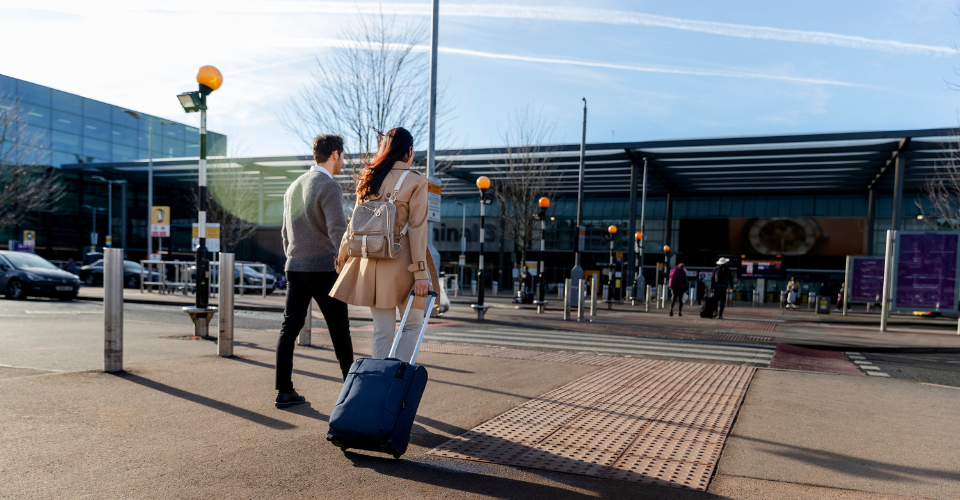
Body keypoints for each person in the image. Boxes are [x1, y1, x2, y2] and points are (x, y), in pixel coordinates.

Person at [331, 127, 432, 363]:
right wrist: (421, 273)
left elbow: (354, 225)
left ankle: (378, 385)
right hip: (405, 264)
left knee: (382, 332)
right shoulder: (416, 181)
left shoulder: (369, 178)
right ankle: (397, 383)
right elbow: (417, 230)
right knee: (412, 326)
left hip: (372, 264)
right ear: (408, 151)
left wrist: (342, 258)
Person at [275, 134, 353, 409]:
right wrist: (346, 261)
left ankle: (284, 390)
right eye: (343, 155)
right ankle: (352, 395)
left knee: (289, 328)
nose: (344, 160)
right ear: (334, 154)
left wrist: (294, 258)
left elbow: (285, 233)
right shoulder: (329, 186)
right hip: (324, 268)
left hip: (295, 267)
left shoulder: (293, 187)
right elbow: (337, 231)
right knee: (339, 330)